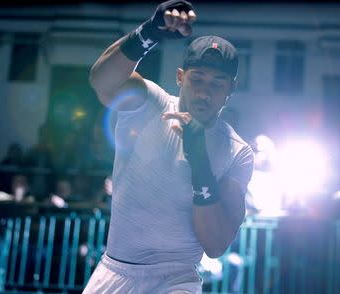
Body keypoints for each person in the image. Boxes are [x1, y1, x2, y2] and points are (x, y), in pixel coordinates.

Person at [83, 1, 254, 293]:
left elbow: (215, 244)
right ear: (179, 77)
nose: (203, 92)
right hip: (115, 268)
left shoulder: (237, 151)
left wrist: (199, 162)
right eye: (197, 78)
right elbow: (101, 81)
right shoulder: (149, 101)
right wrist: (148, 33)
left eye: (217, 83)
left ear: (230, 89)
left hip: (177, 279)